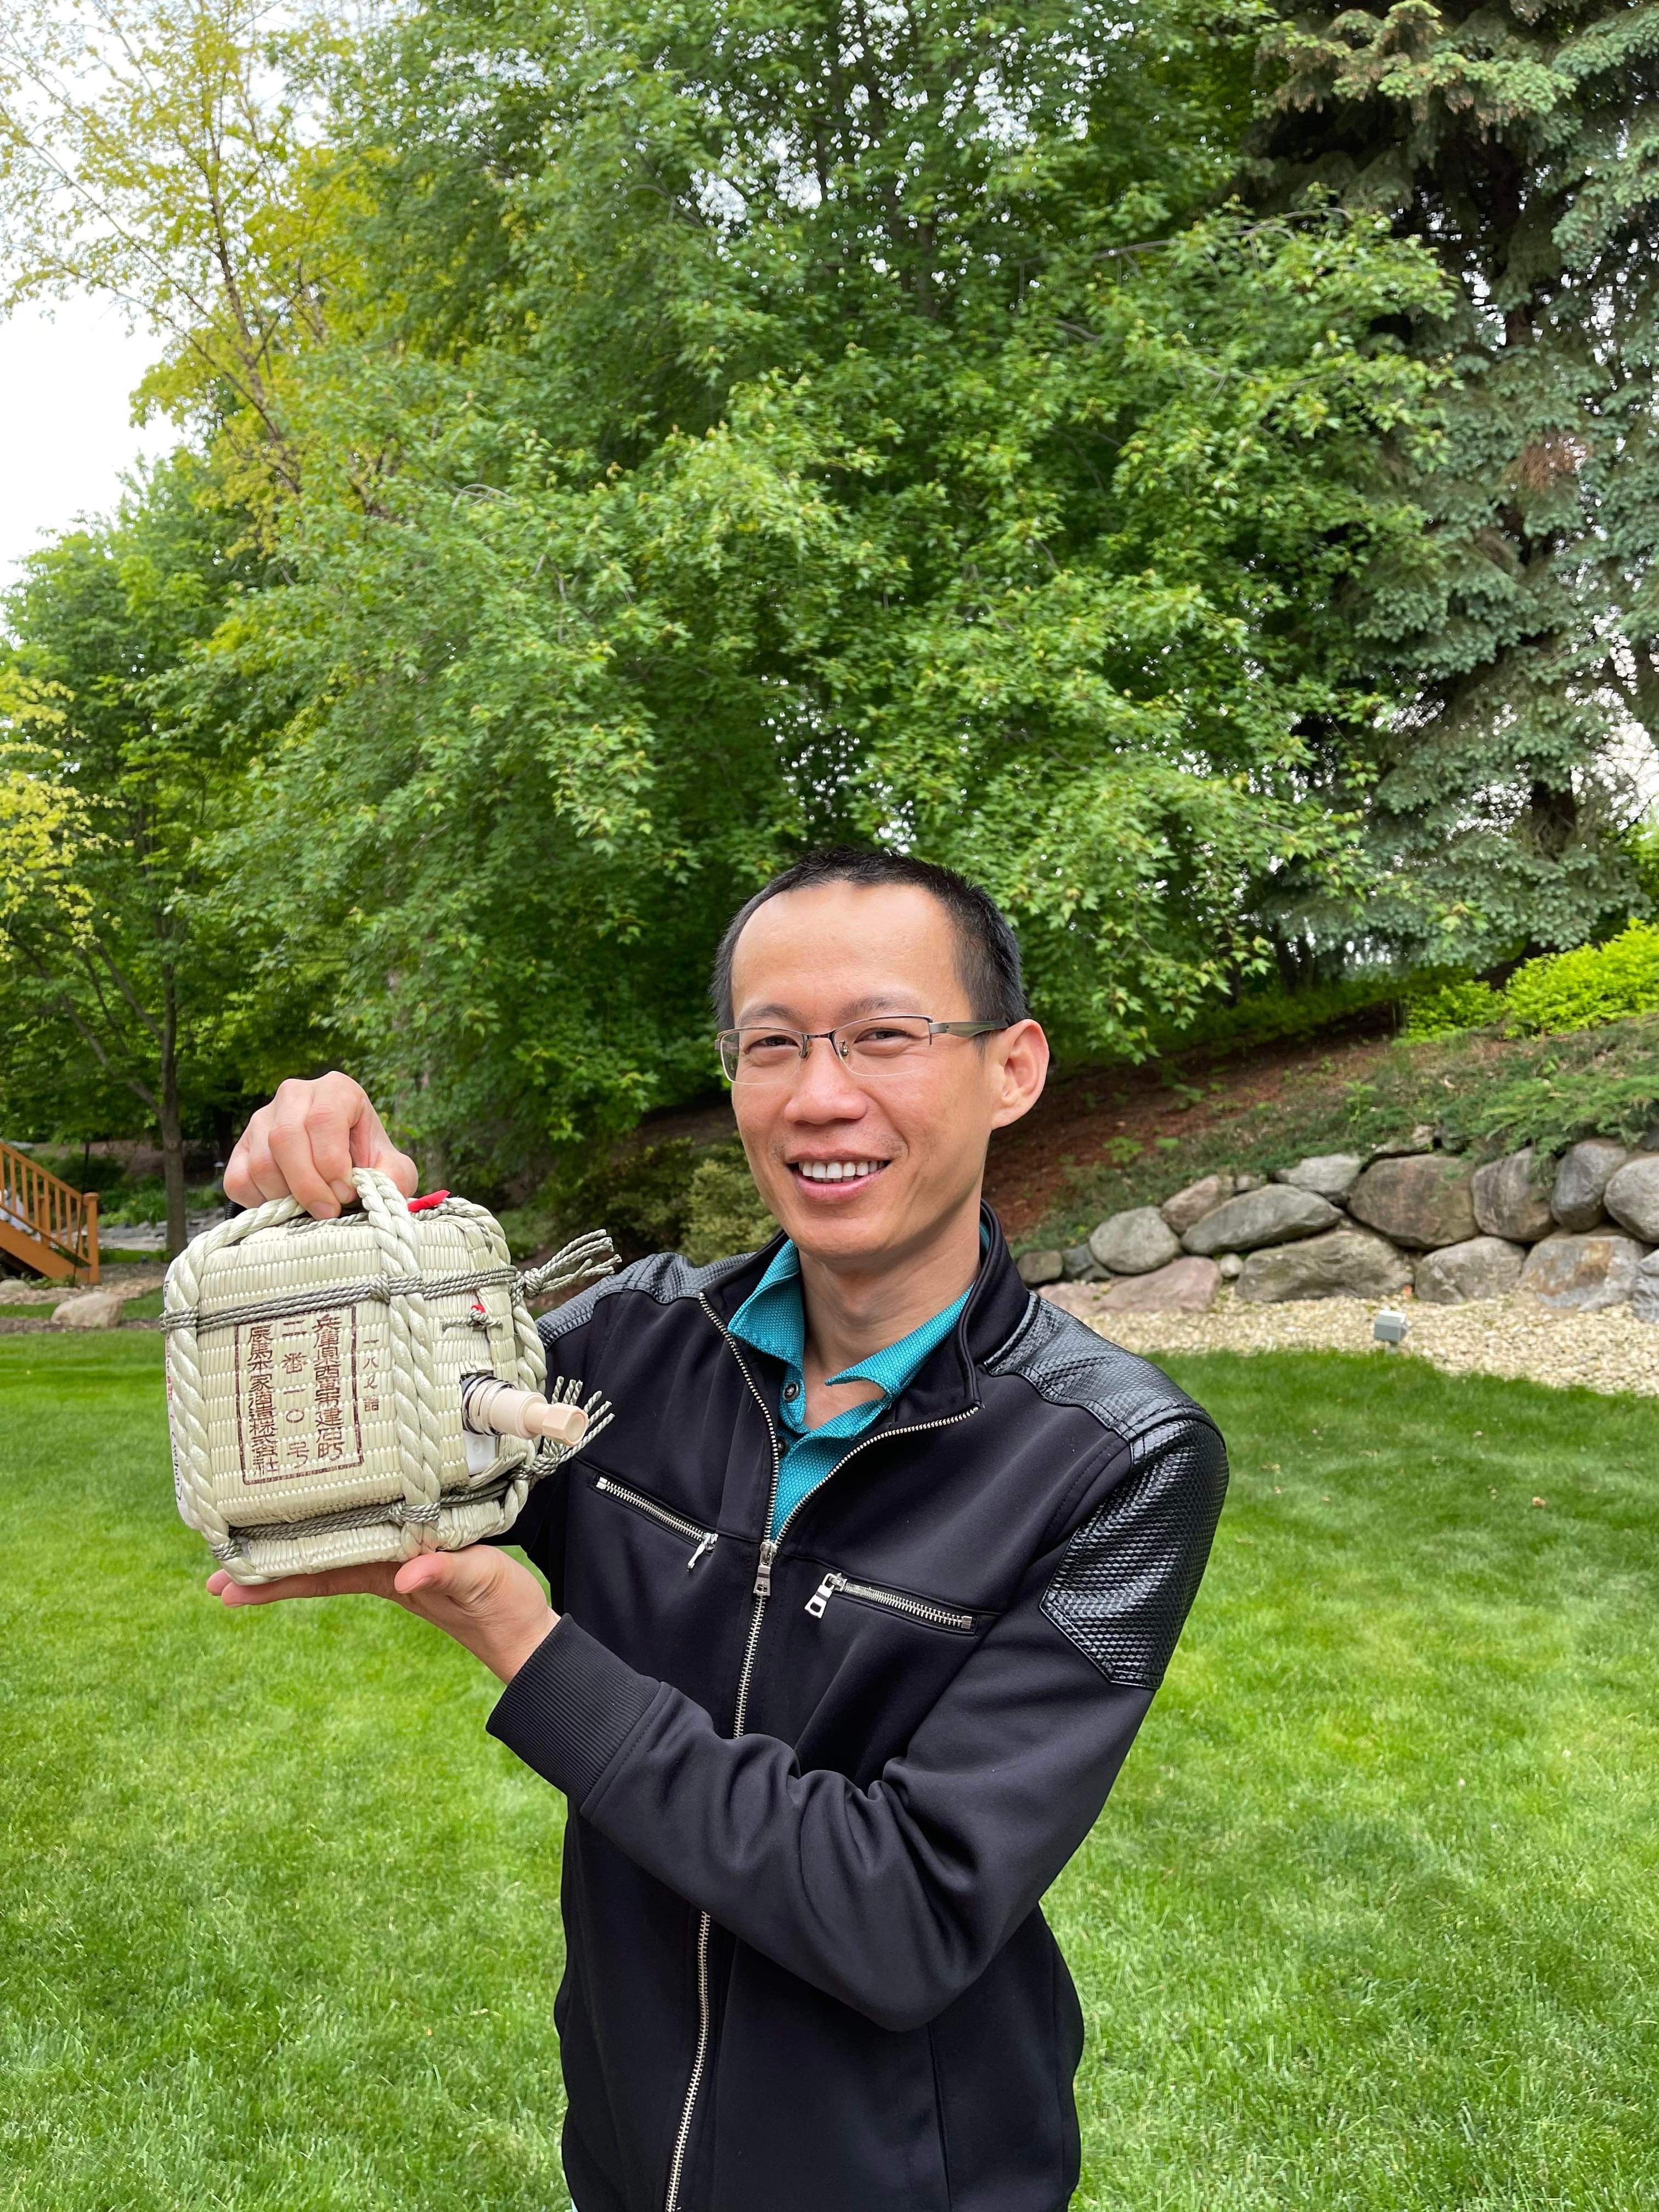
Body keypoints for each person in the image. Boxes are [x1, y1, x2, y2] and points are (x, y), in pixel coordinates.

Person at [217, 847, 1228, 2212]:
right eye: (772, 1045)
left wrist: (528, 1644)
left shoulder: (1117, 1459)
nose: (819, 1096)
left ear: (1013, 1068)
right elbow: (380, 1420)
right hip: (625, 2150)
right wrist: (342, 1217)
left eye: (884, 1036)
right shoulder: (623, 1349)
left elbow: (908, 1915)